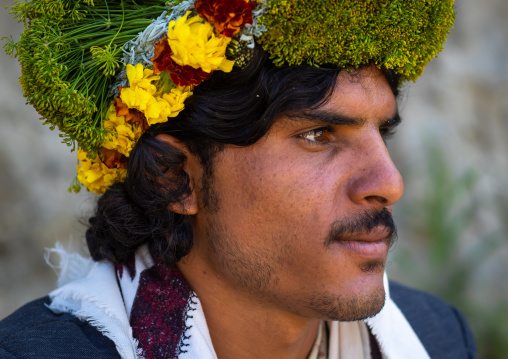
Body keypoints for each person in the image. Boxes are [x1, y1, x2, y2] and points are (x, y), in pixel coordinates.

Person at [0, 0, 476, 358]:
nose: (389, 183)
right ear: (174, 178)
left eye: (383, 132)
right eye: (317, 134)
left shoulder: (438, 336)